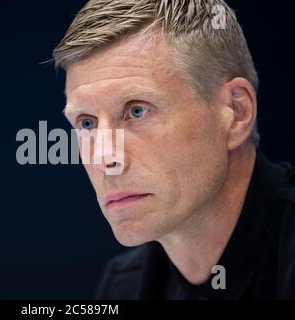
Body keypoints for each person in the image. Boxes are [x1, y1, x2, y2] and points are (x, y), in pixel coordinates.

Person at [53, 0, 295, 299]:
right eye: (87, 123)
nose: (104, 157)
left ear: (235, 112)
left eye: (138, 111)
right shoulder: (124, 287)